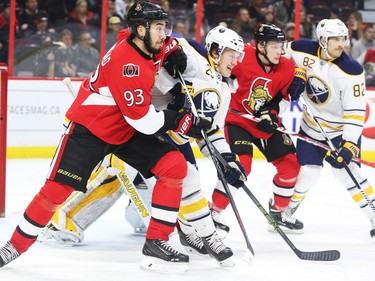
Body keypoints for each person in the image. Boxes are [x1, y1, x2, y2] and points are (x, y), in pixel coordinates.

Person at [0, 1, 213, 270]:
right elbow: (146, 122)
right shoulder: (128, 65)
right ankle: (13, 246)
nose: (164, 33)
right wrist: (180, 120)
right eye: (159, 28)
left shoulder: (140, 40)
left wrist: (172, 50)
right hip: (91, 129)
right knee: (56, 191)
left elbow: (161, 47)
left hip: (125, 128)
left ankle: (157, 242)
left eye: (164, 27)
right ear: (140, 29)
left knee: (174, 166)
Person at [38, 25, 246, 267]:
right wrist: (167, 59)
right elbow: (155, 46)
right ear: (216, 50)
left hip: (175, 137)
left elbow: (210, 132)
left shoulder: (224, 90)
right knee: (116, 173)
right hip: (143, 128)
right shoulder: (192, 56)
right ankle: (63, 222)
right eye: (233, 55)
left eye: (239, 57)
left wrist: (227, 160)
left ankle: (187, 232)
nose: (236, 62)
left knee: (185, 180)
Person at [208, 23, 305, 234]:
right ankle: (213, 212)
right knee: (241, 166)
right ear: (261, 46)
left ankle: (279, 213)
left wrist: (270, 114)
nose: (279, 51)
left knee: (291, 166)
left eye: (281, 46)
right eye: (273, 46)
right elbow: (218, 75)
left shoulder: (287, 67)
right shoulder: (242, 56)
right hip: (237, 121)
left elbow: (284, 99)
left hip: (265, 123)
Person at [284, 18, 375, 238]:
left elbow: (355, 112)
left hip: (340, 132)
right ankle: (286, 213)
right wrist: (295, 73)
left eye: (343, 38)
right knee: (309, 174)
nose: (341, 43)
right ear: (323, 40)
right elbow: (282, 57)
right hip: (311, 127)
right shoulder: (300, 49)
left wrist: (349, 144)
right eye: (335, 39)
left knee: (349, 173)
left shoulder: (351, 71)